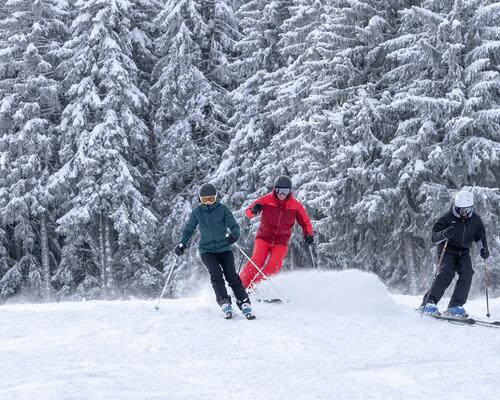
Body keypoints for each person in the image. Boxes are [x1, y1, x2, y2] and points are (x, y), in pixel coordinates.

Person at [174, 183, 255, 319]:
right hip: (207, 250)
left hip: (224, 248)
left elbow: (234, 226)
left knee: (231, 275)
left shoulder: (223, 209)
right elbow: (189, 229)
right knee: (216, 274)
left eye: (211, 199)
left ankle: (244, 302)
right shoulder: (197, 212)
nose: (208, 203)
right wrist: (182, 243)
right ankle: (224, 301)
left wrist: (234, 235)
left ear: (216, 198)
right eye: (205, 200)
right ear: (200, 200)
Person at [420, 190, 490, 317]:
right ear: (456, 207)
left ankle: (455, 305)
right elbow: (434, 237)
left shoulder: (475, 220)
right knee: (447, 272)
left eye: (468, 210)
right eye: (462, 210)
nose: (465, 213)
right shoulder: (446, 218)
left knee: (467, 273)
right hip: (447, 250)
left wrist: (483, 249)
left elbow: (480, 237)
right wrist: (445, 233)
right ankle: (429, 302)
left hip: (463, 252)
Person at [239, 175, 314, 289]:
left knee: (275, 265)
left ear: (289, 191)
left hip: (281, 241)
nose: (282, 194)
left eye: (285, 191)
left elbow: (305, 221)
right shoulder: (265, 200)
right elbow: (248, 213)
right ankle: (240, 286)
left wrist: (308, 234)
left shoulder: (295, 205)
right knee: (257, 261)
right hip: (263, 238)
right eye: (279, 190)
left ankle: (256, 287)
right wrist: (254, 209)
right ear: (275, 189)